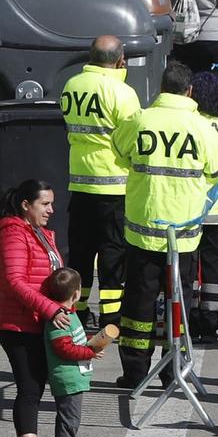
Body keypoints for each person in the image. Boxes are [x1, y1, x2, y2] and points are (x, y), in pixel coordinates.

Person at [111, 60, 218, 385]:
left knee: (138, 304)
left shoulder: (140, 120)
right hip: (185, 235)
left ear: (161, 88)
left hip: (142, 231)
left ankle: (135, 373)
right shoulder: (203, 128)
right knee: (177, 302)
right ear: (190, 91)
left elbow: (119, 153)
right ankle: (172, 370)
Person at [60, 35, 140, 331]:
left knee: (80, 253)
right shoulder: (123, 92)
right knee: (112, 255)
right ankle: (111, 318)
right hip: (114, 186)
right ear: (121, 60)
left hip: (79, 184)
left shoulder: (72, 85)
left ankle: (77, 314)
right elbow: (131, 140)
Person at [3, 179, 65, 437]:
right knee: (29, 388)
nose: (51, 209)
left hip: (36, 319)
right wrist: (50, 308)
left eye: (52, 203)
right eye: (45, 204)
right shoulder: (15, 235)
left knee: (35, 386)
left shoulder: (39, 233)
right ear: (26, 205)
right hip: (17, 322)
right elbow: (15, 282)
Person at [40, 267, 118, 437]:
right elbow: (64, 348)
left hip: (74, 376)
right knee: (69, 419)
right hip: (67, 378)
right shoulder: (61, 319)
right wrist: (88, 352)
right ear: (76, 294)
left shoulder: (67, 314)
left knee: (70, 418)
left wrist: (90, 348)